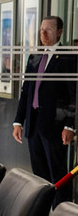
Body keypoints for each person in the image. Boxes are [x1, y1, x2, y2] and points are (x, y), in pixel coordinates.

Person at [13, 16, 76, 205]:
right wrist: (18, 121)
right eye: (41, 29)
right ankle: (42, 214)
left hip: (55, 125)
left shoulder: (70, 57)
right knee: (39, 176)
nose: (43, 33)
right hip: (34, 125)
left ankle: (61, 215)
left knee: (58, 176)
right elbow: (26, 92)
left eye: (48, 29)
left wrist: (70, 125)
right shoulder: (35, 57)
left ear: (59, 32)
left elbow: (74, 95)